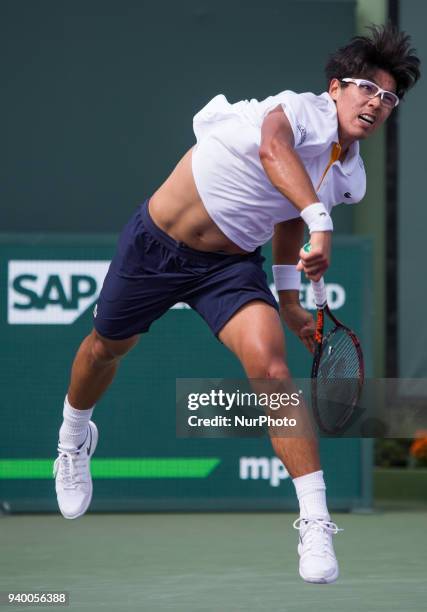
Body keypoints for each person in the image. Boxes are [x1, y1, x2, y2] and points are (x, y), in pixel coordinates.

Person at [53, 24, 420, 583]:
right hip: (156, 245)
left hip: (228, 268)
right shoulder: (295, 112)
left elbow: (291, 216)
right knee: (105, 348)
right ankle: (73, 439)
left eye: (389, 97)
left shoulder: (350, 176)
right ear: (334, 88)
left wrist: (291, 301)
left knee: (273, 373)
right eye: (366, 88)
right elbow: (276, 153)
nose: (376, 103)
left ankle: (315, 522)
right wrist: (321, 223)